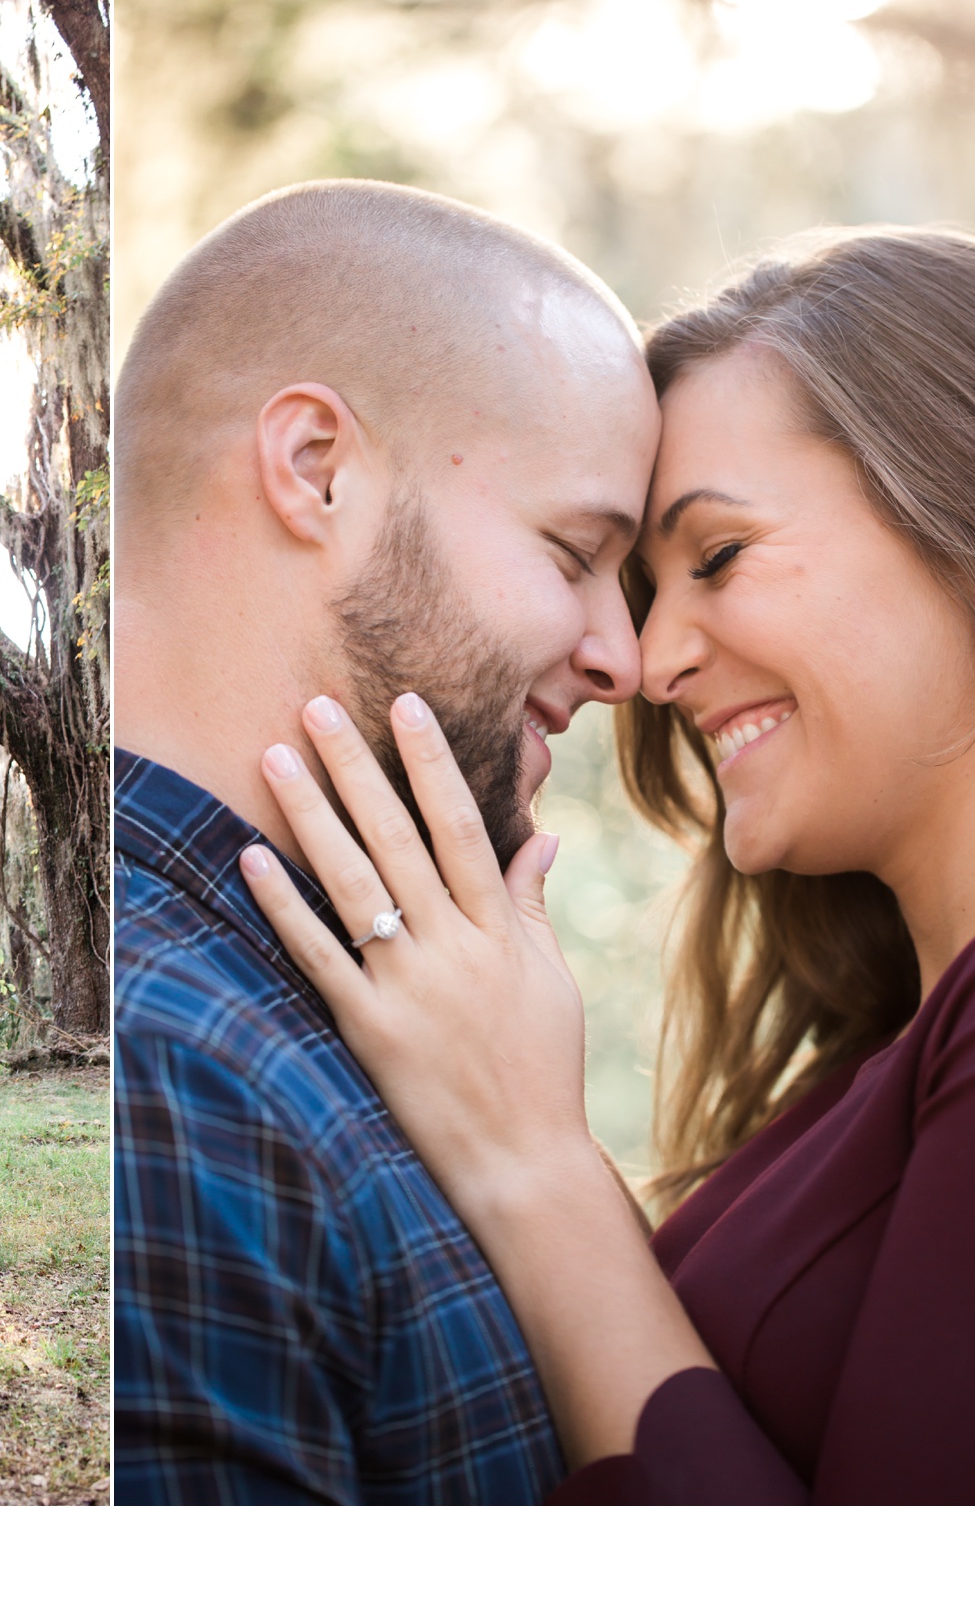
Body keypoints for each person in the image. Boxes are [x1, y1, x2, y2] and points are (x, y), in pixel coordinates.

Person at [240, 227, 975, 1502]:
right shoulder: (919, 1040)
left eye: (715, 557)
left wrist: (529, 1157)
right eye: (640, 585)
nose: (650, 665)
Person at [112, 179, 662, 1501]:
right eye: (575, 549)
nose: (625, 658)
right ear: (316, 470)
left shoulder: (363, 1019)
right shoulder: (166, 1086)